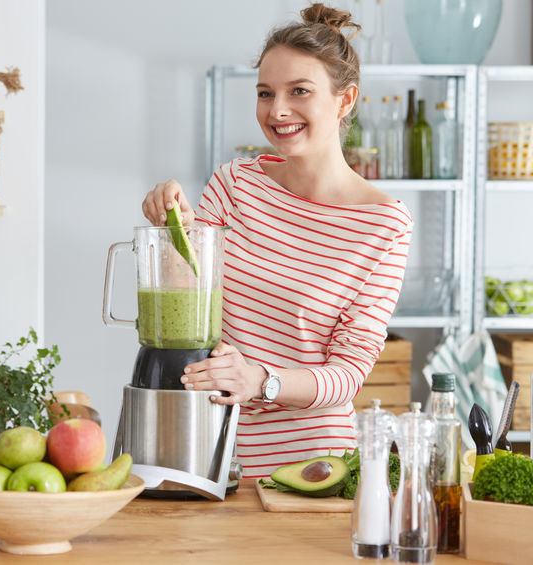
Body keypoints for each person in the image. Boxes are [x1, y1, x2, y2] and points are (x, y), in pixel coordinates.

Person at [141, 3, 412, 479]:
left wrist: (261, 381)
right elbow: (188, 298)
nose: (277, 110)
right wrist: (176, 228)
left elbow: (348, 374)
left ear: (345, 100)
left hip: (311, 464)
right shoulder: (235, 183)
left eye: (299, 91)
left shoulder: (383, 225)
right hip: (205, 445)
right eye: (265, 93)